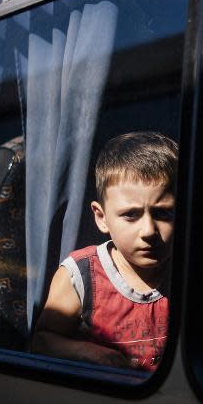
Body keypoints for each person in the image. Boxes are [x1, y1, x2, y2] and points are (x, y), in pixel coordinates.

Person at [32, 132, 177, 371]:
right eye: (131, 215)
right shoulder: (81, 274)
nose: (149, 230)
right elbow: (41, 341)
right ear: (101, 218)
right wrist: (86, 352)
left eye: (164, 213)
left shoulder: (189, 268)